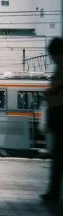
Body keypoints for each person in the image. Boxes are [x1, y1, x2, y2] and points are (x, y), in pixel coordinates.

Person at [40, 37, 63, 204]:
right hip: (57, 116)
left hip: (59, 116)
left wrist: (50, 91)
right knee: (57, 156)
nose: (51, 58)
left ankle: (53, 192)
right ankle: (53, 191)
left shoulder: (61, 68)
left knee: (58, 156)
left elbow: (58, 87)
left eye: (52, 55)